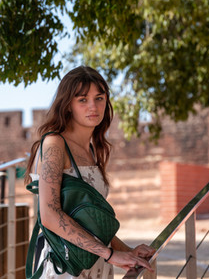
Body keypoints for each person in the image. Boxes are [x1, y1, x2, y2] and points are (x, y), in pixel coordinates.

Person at [25, 66, 155, 278]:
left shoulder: (93, 148)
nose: (93, 106)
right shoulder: (54, 144)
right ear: (68, 105)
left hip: (97, 266)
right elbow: (48, 216)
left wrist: (126, 251)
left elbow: (90, 221)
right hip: (65, 267)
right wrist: (110, 254)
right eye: (82, 99)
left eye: (99, 98)